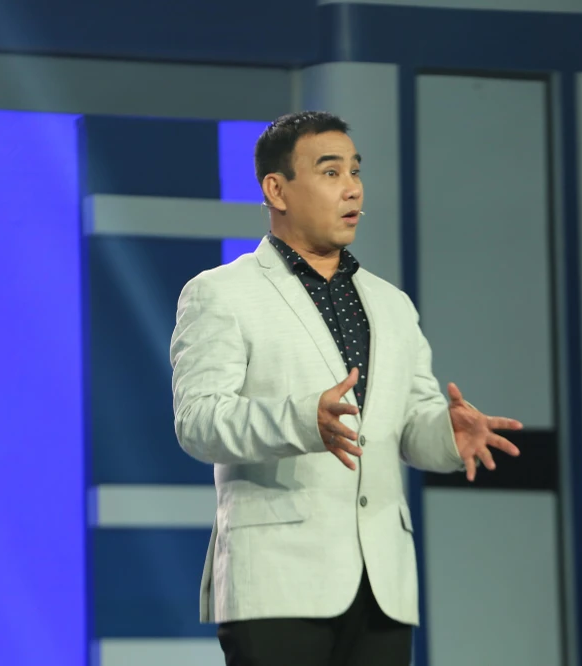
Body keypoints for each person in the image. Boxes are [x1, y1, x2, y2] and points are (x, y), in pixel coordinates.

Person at [169, 110, 523, 666]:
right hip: (277, 580)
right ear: (276, 190)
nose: (353, 188)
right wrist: (301, 420)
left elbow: (410, 422)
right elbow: (199, 422)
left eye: (355, 171)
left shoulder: (392, 304)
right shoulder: (222, 293)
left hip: (381, 582)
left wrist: (445, 435)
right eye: (331, 172)